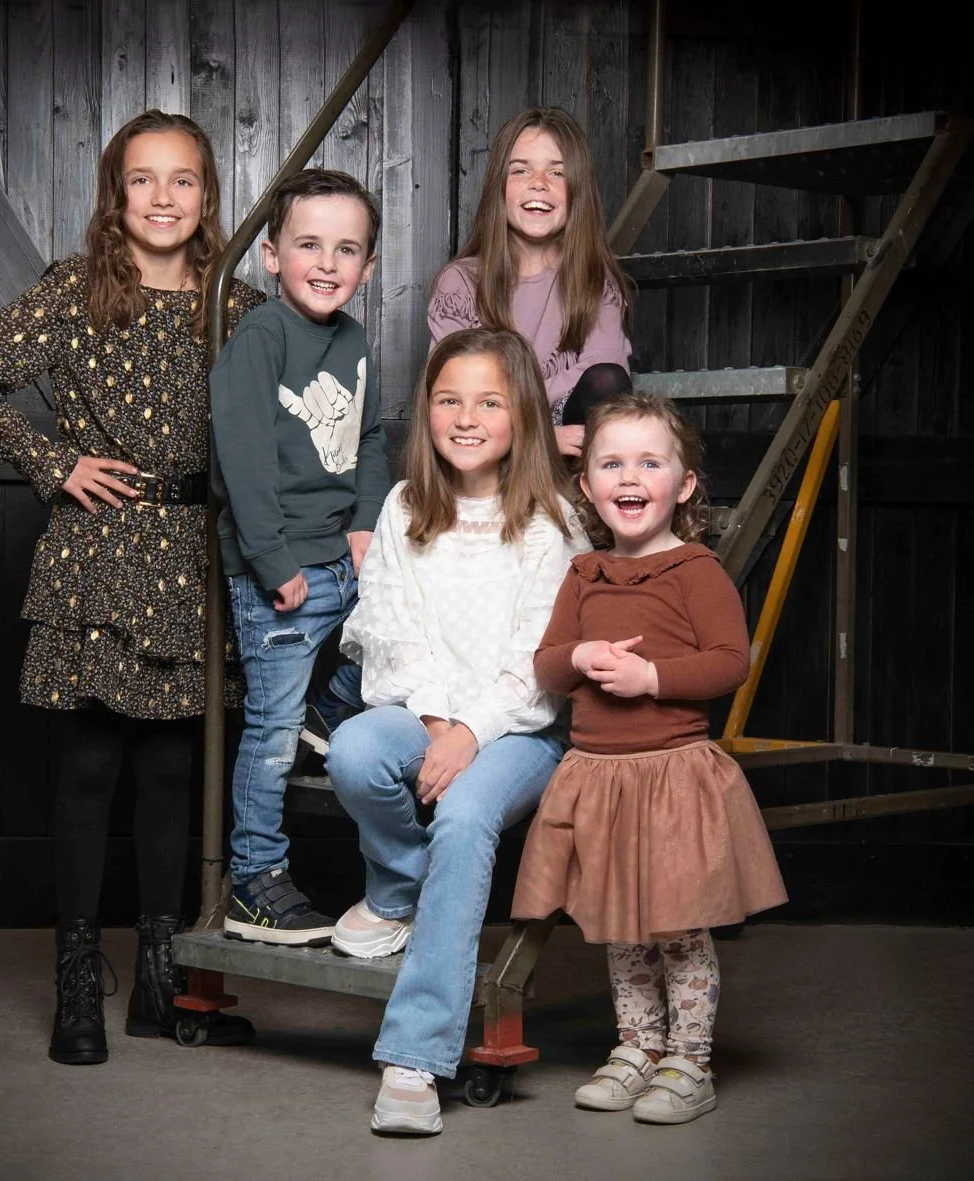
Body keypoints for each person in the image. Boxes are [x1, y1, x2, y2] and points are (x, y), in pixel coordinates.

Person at [0, 110, 263, 1065]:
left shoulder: (233, 307)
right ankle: (78, 978)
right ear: (115, 195)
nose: (163, 198)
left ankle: (160, 978)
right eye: (143, 179)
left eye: (183, 179)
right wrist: (50, 459)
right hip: (97, 550)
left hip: (194, 556)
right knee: (89, 768)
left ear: (207, 196)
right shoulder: (75, 291)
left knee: (170, 771)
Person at [325, 327, 588, 1135]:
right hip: (428, 711)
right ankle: (402, 886)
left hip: (521, 731)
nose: (464, 417)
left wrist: (470, 732)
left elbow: (538, 662)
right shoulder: (408, 506)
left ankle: (413, 1054)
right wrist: (438, 721)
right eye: (447, 400)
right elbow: (385, 626)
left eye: (487, 401)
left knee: (468, 816)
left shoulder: (552, 523)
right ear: (426, 414)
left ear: (523, 417)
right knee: (355, 749)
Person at [511, 393, 787, 1124]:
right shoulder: (583, 574)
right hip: (599, 777)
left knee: (676, 925)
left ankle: (688, 1061)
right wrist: (581, 654)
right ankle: (636, 1045)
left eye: (648, 462)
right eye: (611, 462)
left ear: (684, 483)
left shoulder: (695, 568)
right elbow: (545, 666)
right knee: (619, 926)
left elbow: (730, 661)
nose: (628, 476)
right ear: (587, 486)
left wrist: (651, 678)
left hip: (670, 776)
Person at [210, 169, 389, 947]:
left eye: (345, 249)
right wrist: (272, 558)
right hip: (281, 568)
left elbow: (371, 437)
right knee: (272, 733)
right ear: (272, 256)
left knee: (396, 651)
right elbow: (241, 457)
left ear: (369, 267)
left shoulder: (352, 340)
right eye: (308, 244)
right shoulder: (260, 337)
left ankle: (332, 711)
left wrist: (367, 520)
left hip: (345, 558)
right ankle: (253, 880)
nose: (326, 262)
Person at [428, 106, 634, 456]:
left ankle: (580, 507)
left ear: (577, 192)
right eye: (521, 170)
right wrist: (538, 439)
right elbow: (452, 393)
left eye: (557, 172)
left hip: (569, 452)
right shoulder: (460, 282)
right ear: (499, 188)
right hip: (488, 445)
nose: (539, 183)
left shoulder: (595, 283)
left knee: (607, 381)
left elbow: (604, 375)